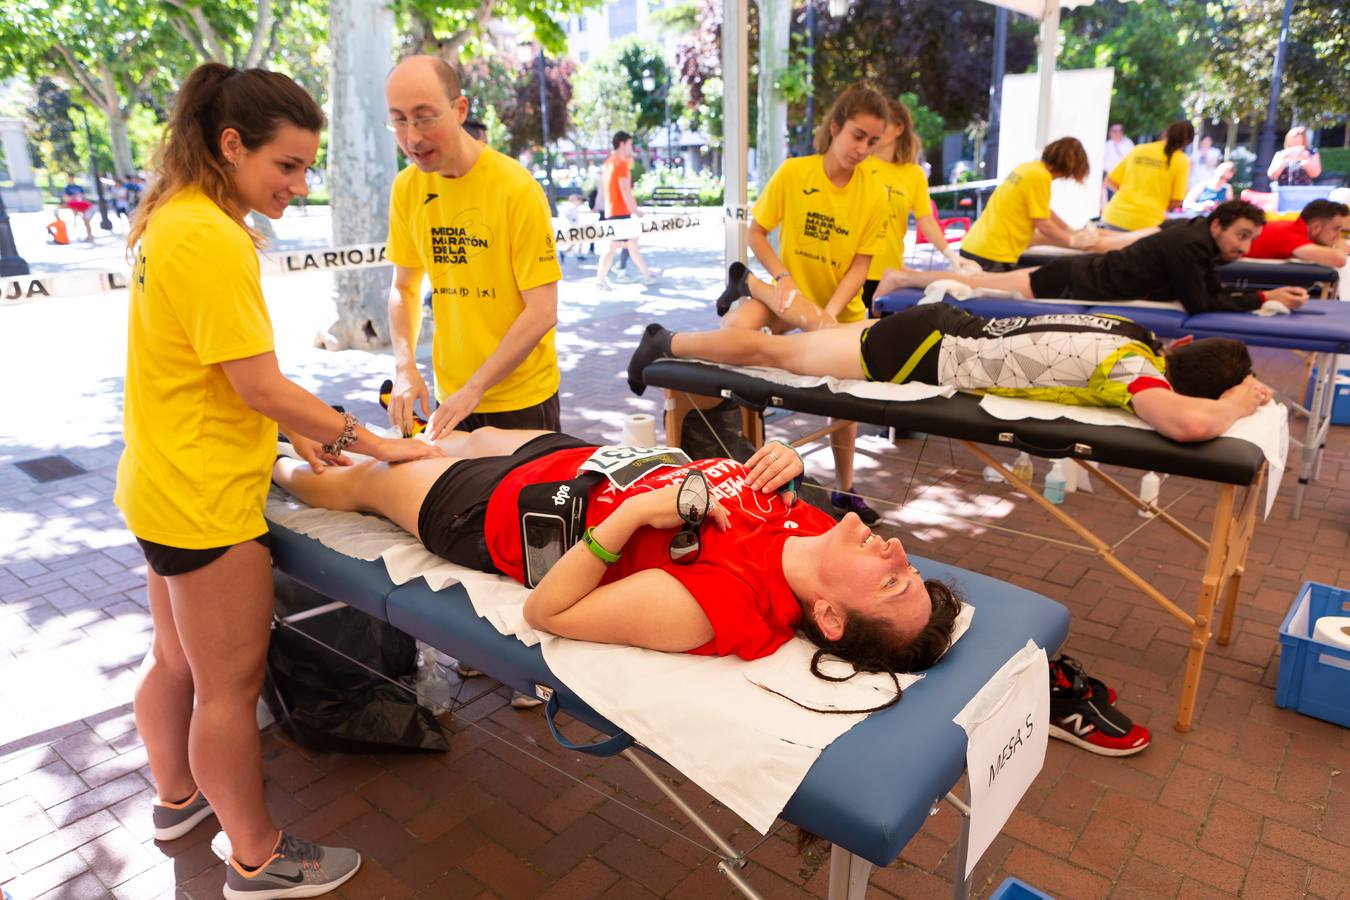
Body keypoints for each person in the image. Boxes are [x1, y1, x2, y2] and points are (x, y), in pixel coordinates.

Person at [115, 62, 442, 899]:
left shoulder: (174, 219)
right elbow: (257, 384)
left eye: (306, 167)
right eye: (286, 166)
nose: (299, 185)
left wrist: (302, 430)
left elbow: (225, 375)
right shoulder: (211, 238)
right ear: (231, 146)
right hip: (204, 501)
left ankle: (177, 801)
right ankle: (258, 858)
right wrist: (377, 444)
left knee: (173, 660)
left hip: (159, 482)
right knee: (228, 689)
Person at [273, 427, 962, 697]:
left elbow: (551, 612)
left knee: (359, 484)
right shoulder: (811, 524)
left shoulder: (723, 603)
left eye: (893, 579)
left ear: (832, 619)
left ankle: (278, 468)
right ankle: (339, 433)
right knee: (448, 438)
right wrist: (787, 457)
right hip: (573, 457)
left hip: (500, 511)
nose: (895, 548)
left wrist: (632, 517)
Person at [630, 304, 1273, 443]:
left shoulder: (1133, 334)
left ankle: (675, 340)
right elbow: (1188, 423)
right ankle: (667, 342)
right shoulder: (1133, 368)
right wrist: (1241, 402)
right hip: (922, 350)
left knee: (791, 348)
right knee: (780, 355)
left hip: (940, 327)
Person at [719, 81, 890, 524]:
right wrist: (781, 276)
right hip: (784, 295)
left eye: (872, 141)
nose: (862, 148)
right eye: (857, 135)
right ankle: (753, 468)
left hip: (838, 309)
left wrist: (828, 314)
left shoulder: (874, 194)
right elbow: (756, 232)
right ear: (835, 126)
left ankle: (845, 489)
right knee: (732, 335)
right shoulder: (795, 173)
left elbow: (860, 267)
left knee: (844, 402)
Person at [383, 55, 562, 442]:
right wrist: (404, 367)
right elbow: (404, 288)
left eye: (424, 117)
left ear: (459, 109)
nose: (412, 137)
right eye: (399, 120)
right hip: (452, 401)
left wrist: (475, 389)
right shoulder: (407, 188)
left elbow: (542, 310)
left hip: (521, 401)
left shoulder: (516, 188)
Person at [874, 200, 1310, 315]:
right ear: (1218, 227)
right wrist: (1262, 297)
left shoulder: (1197, 236)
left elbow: (1204, 289)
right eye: (1241, 236)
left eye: (1251, 239)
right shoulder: (1190, 243)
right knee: (979, 284)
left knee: (986, 281)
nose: (1245, 248)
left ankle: (904, 276)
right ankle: (902, 278)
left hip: (1078, 273)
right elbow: (1199, 302)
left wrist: (1261, 296)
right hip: (1073, 280)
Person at [860, 97, 978, 309]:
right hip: (850, 269)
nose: (875, 129)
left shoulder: (913, 174)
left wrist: (952, 257)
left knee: (878, 337)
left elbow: (926, 220)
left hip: (888, 272)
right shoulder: (858, 164)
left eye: (882, 123)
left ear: (899, 128)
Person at [958, 137, 1096, 271]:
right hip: (991, 255)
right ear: (1069, 167)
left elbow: (1044, 210)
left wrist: (1069, 230)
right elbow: (1044, 225)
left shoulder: (1028, 168)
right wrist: (1071, 241)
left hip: (975, 246)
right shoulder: (1040, 177)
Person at [1102, 121, 1194, 231]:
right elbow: (1177, 200)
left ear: (1166, 133)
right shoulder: (1181, 160)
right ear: (1187, 141)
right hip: (1146, 224)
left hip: (1114, 216)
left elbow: (1110, 180)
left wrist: (1130, 197)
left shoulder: (1139, 149)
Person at [595, 131, 655, 288]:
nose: (631, 147)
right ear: (622, 143)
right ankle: (600, 280)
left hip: (614, 211)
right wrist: (636, 211)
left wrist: (597, 204)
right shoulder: (620, 163)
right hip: (620, 212)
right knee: (617, 246)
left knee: (628, 245)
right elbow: (625, 190)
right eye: (629, 144)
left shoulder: (609, 162)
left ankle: (647, 276)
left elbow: (604, 188)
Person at [1246, 198, 1349, 269]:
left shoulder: (1290, 227)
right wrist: (1338, 246)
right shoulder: (1289, 236)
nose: (1338, 236)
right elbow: (1339, 259)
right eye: (1336, 229)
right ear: (1316, 227)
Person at [1102, 123, 1134, 205]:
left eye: (1118, 131)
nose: (1116, 133)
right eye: (1114, 131)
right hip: (1111, 177)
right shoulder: (1107, 145)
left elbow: (1132, 159)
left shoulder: (1128, 143)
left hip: (1124, 177)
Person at [61, 173, 95, 240]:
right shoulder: (67, 188)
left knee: (86, 221)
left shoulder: (78, 187)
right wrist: (74, 197)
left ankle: (89, 235)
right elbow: (66, 198)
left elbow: (83, 196)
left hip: (82, 206)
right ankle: (79, 235)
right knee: (76, 220)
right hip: (75, 205)